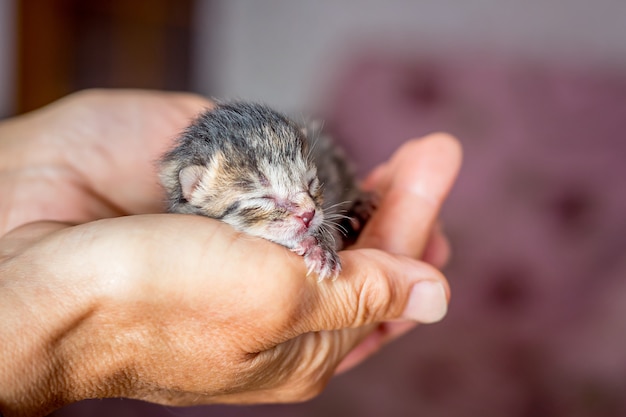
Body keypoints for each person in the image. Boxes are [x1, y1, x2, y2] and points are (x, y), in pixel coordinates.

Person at [0, 89, 462, 416]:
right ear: (194, 190)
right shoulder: (192, 203)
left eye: (307, 188)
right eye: (267, 200)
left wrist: (323, 234)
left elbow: (311, 202)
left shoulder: (300, 190)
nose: (304, 211)